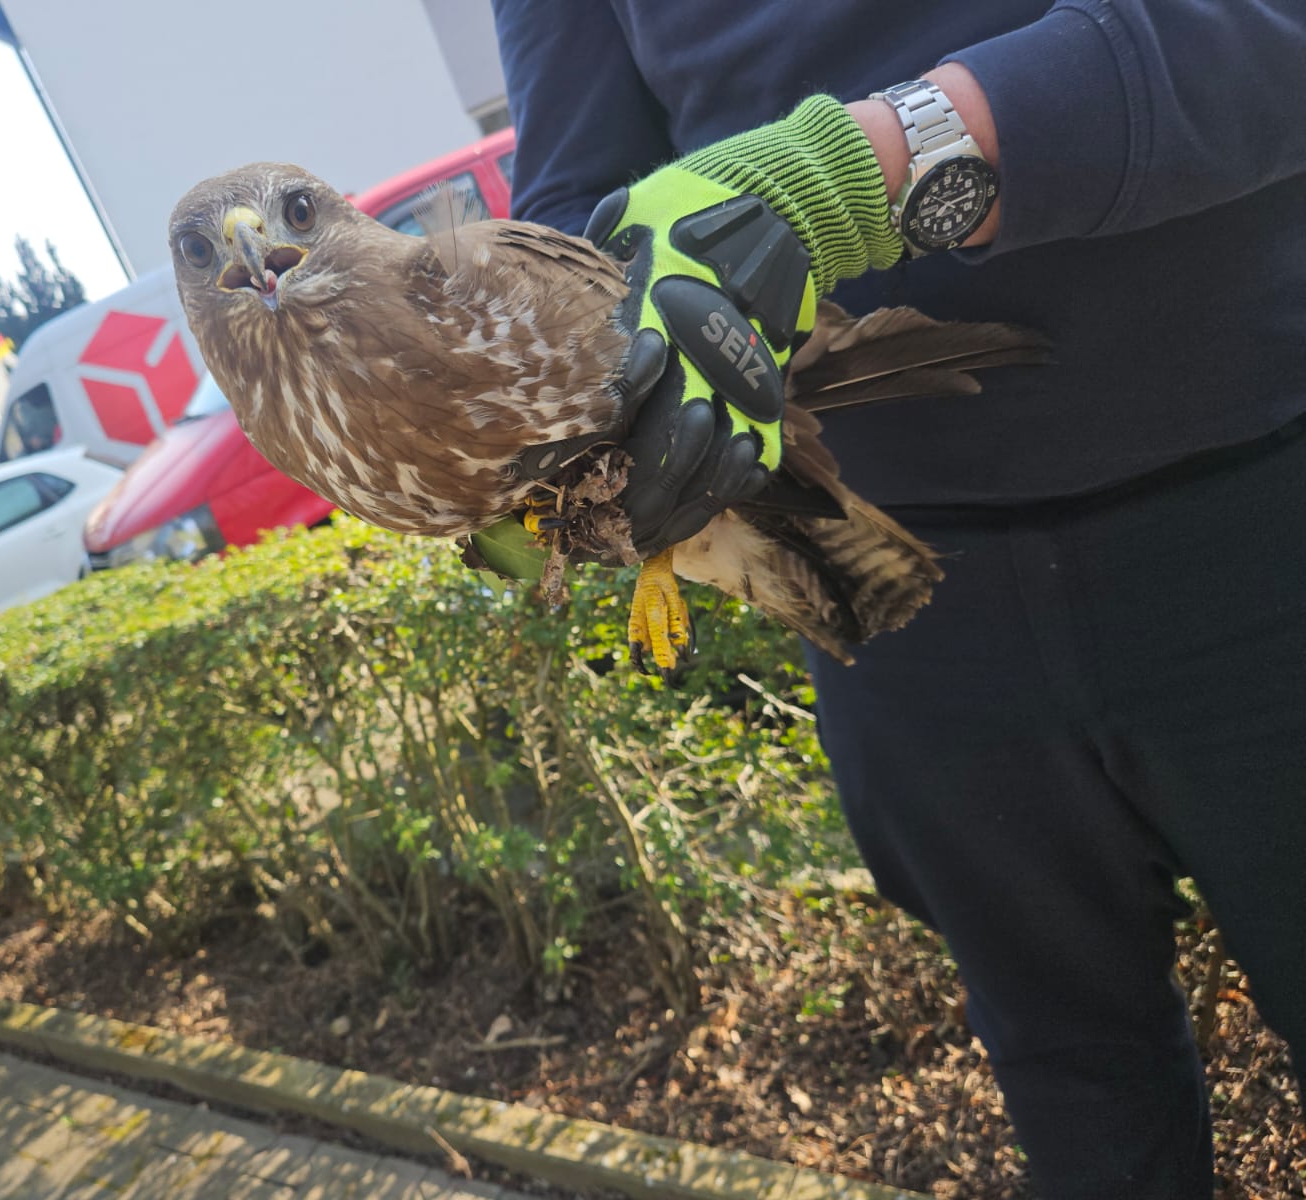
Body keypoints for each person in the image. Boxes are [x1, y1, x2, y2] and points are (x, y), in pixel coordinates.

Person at [489, 4, 1306, 1198]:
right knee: (1076, 1087)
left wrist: (854, 173)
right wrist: (569, 387)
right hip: (904, 604)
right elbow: (577, 200)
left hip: (1263, 499)